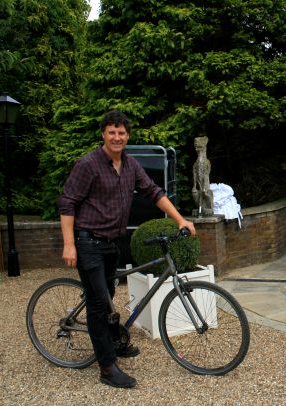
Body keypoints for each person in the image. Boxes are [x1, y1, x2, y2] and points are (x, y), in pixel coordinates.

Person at [59, 110, 196, 388]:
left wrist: (180, 218)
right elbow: (67, 203)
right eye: (112, 132)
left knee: (107, 295)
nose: (117, 137)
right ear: (103, 134)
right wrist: (69, 244)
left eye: (121, 133)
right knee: (99, 305)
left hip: (111, 243)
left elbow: (154, 192)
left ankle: (114, 342)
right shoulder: (88, 165)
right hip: (88, 242)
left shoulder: (131, 165)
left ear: (127, 136)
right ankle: (107, 368)